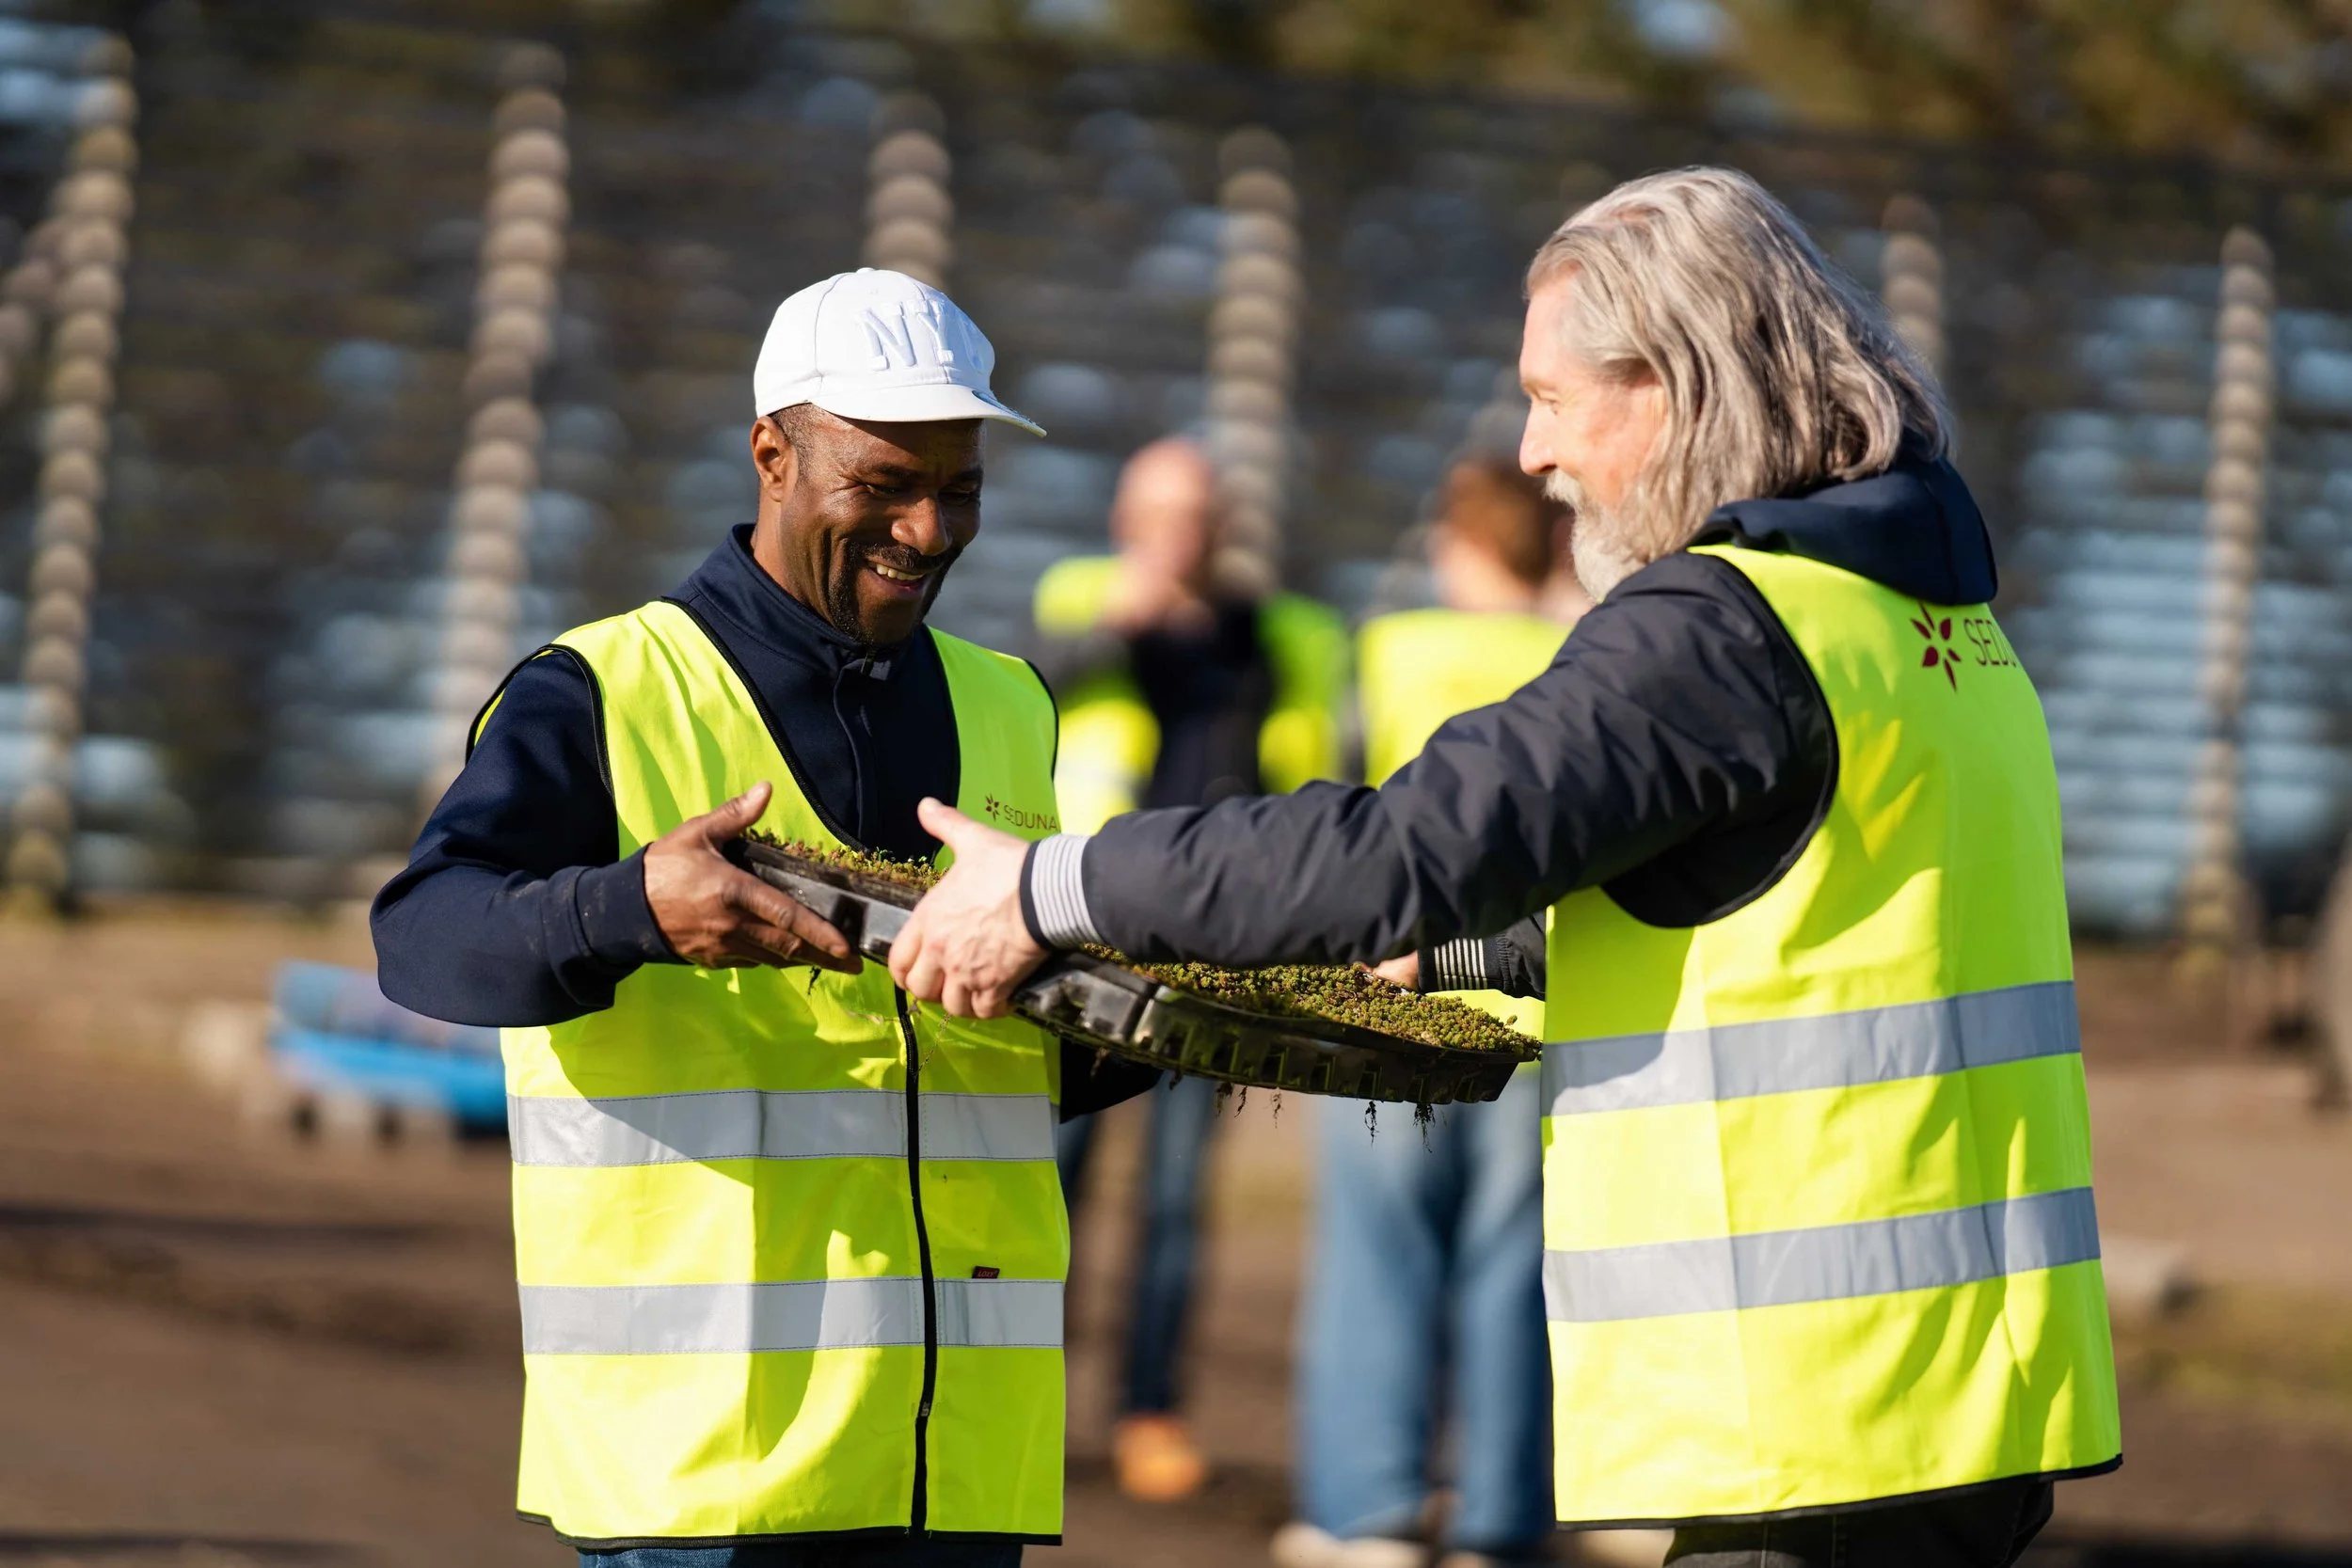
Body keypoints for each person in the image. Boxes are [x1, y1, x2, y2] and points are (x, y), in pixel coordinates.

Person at [886, 168, 2124, 1568]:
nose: (1533, 457)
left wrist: (1054, 887)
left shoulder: (1712, 631)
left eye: (1549, 396)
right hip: (1974, 1397)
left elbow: (1401, 851)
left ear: (1668, 381)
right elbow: (1799, 916)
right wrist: (1472, 955)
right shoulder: (1926, 624)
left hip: (1812, 1415)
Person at [373, 268, 1154, 1566]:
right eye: (883, 483)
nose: (927, 526)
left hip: (955, 1455)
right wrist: (630, 905)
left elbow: (984, 1067)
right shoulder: (604, 687)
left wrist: (1166, 1019)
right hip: (706, 1462)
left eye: (957, 486)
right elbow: (423, 934)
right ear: (772, 453)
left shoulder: (1011, 702)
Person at [1027, 436, 1348, 1502]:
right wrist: (1116, 621)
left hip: (1213, 949)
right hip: (1082, 934)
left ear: (1221, 523)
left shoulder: (1278, 631)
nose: (1175, 531)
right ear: (1126, 519)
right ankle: (1027, 1394)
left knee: (1173, 1198)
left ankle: (1148, 1409)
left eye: (1193, 511)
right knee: (1049, 1181)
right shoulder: (1082, 601)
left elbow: (1309, 776)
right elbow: (1025, 700)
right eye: (1156, 510)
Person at [1274, 455, 1581, 1568]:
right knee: (1514, 1268)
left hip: (1387, 1004)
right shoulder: (1585, 658)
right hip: (1534, 1011)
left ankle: (1369, 1511)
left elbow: (1324, 811)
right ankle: (1500, 1519)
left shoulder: (1389, 647)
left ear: (1458, 544)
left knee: (1374, 1253)